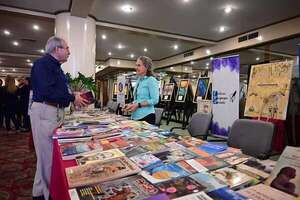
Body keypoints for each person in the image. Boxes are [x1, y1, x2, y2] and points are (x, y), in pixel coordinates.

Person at [30, 36, 88, 200]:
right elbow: (47, 91)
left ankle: (40, 191)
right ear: (57, 49)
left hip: (52, 111)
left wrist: (72, 95)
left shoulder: (55, 67)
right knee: (47, 156)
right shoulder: (43, 64)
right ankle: (49, 194)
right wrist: (71, 98)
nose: (69, 52)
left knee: (46, 156)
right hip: (45, 111)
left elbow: (59, 91)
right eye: (67, 48)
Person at [123, 56, 159, 125]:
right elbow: (138, 99)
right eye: (136, 65)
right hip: (135, 116)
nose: (136, 67)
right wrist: (131, 105)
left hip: (147, 117)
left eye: (139, 65)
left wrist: (138, 105)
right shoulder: (139, 80)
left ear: (146, 67)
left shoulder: (151, 80)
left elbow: (155, 100)